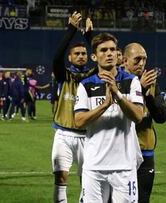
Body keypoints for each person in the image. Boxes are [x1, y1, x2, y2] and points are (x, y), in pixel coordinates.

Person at [74, 33, 144, 203]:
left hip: (124, 166)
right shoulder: (86, 85)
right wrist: (104, 105)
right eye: (103, 50)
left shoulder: (131, 81)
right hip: (94, 166)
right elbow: (79, 121)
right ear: (94, 56)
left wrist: (117, 95)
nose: (109, 53)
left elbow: (138, 116)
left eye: (113, 49)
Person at [51, 12, 94, 203]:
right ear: (70, 57)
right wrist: (71, 30)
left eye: (84, 53)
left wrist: (89, 35)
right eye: (76, 53)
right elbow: (56, 58)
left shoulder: (94, 76)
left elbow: (104, 55)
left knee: (88, 180)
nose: (81, 56)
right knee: (61, 177)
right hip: (64, 135)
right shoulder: (64, 75)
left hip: (89, 135)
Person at [123, 43, 166, 203]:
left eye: (144, 59)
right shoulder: (118, 82)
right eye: (137, 59)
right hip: (121, 153)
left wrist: (148, 95)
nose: (141, 64)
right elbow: (120, 117)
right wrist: (139, 89)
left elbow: (162, 116)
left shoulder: (151, 83)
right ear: (125, 61)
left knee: (142, 200)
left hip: (145, 153)